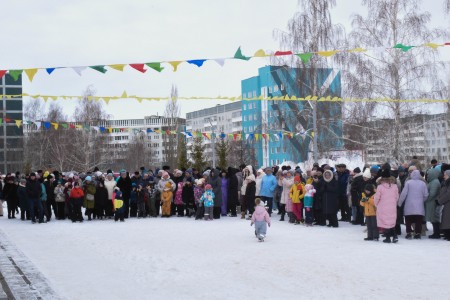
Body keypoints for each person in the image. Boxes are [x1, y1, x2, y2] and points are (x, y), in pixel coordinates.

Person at [398, 170, 429, 240]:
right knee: (418, 220)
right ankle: (418, 233)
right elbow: (426, 195)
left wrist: (399, 203)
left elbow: (403, 194)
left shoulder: (408, 183)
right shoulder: (423, 183)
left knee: (408, 220)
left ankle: (409, 233)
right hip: (419, 205)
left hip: (409, 205)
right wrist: (422, 200)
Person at [374, 170, 399, 243]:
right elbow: (397, 196)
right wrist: (394, 203)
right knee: (391, 221)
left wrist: (376, 204)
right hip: (392, 206)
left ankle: (387, 238)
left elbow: (377, 197)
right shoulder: (394, 186)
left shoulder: (380, 187)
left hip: (382, 207)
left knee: (384, 222)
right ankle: (394, 236)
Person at [425, 168, 442, 239]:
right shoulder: (433, 181)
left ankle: (436, 233)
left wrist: (426, 199)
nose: (427, 175)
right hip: (432, 202)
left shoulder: (434, 182)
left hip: (432, 203)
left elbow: (432, 193)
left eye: (429, 174)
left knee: (434, 219)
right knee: (433, 219)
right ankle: (436, 233)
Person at [437, 170, 450, 241]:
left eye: (445, 175)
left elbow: (448, 194)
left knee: (447, 220)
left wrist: (440, 201)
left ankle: (448, 235)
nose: (444, 176)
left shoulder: (449, 183)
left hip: (447, 203)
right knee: (446, 219)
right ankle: (447, 234)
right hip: (446, 204)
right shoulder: (446, 182)